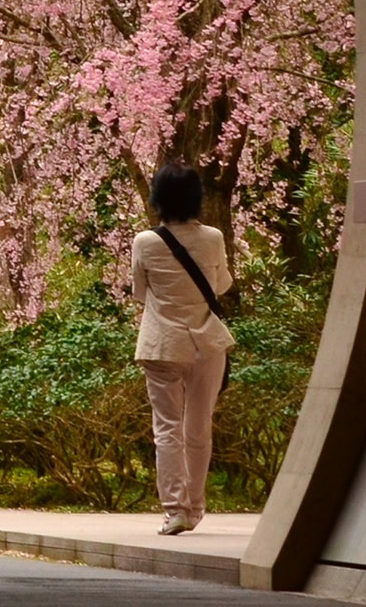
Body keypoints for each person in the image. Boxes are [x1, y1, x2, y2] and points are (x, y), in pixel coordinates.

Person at [131, 160, 233, 536]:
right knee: (199, 427)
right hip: (206, 342)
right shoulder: (213, 238)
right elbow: (221, 285)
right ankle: (194, 507)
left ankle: (174, 509)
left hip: (161, 345)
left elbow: (140, 293)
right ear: (197, 198)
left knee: (167, 429)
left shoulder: (145, 242)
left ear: (158, 197)